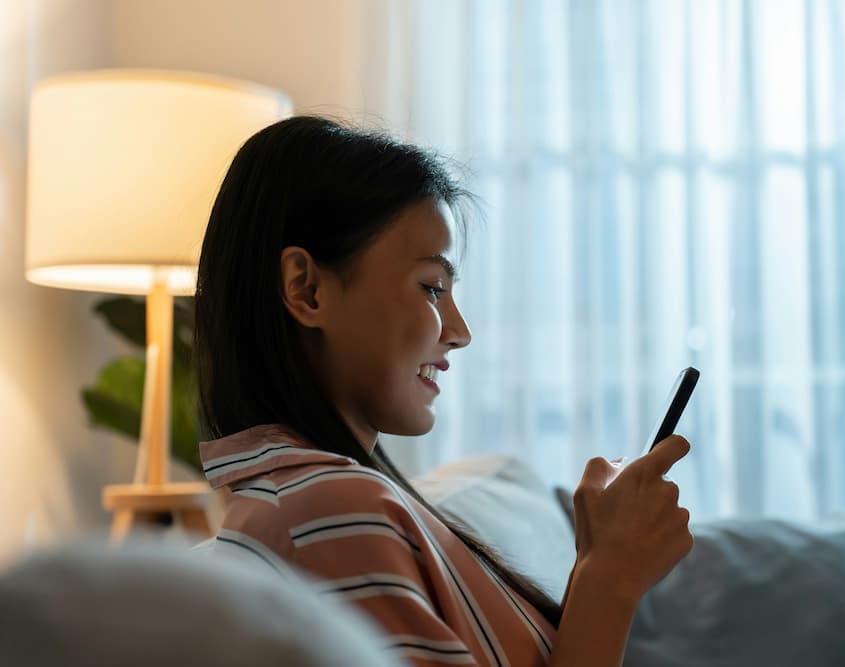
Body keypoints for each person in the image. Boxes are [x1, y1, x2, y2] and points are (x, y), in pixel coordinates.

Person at [195, 115, 694, 667]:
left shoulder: (323, 499)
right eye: (432, 287)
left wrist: (598, 562)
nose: (459, 331)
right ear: (306, 289)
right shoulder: (329, 508)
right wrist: (610, 581)